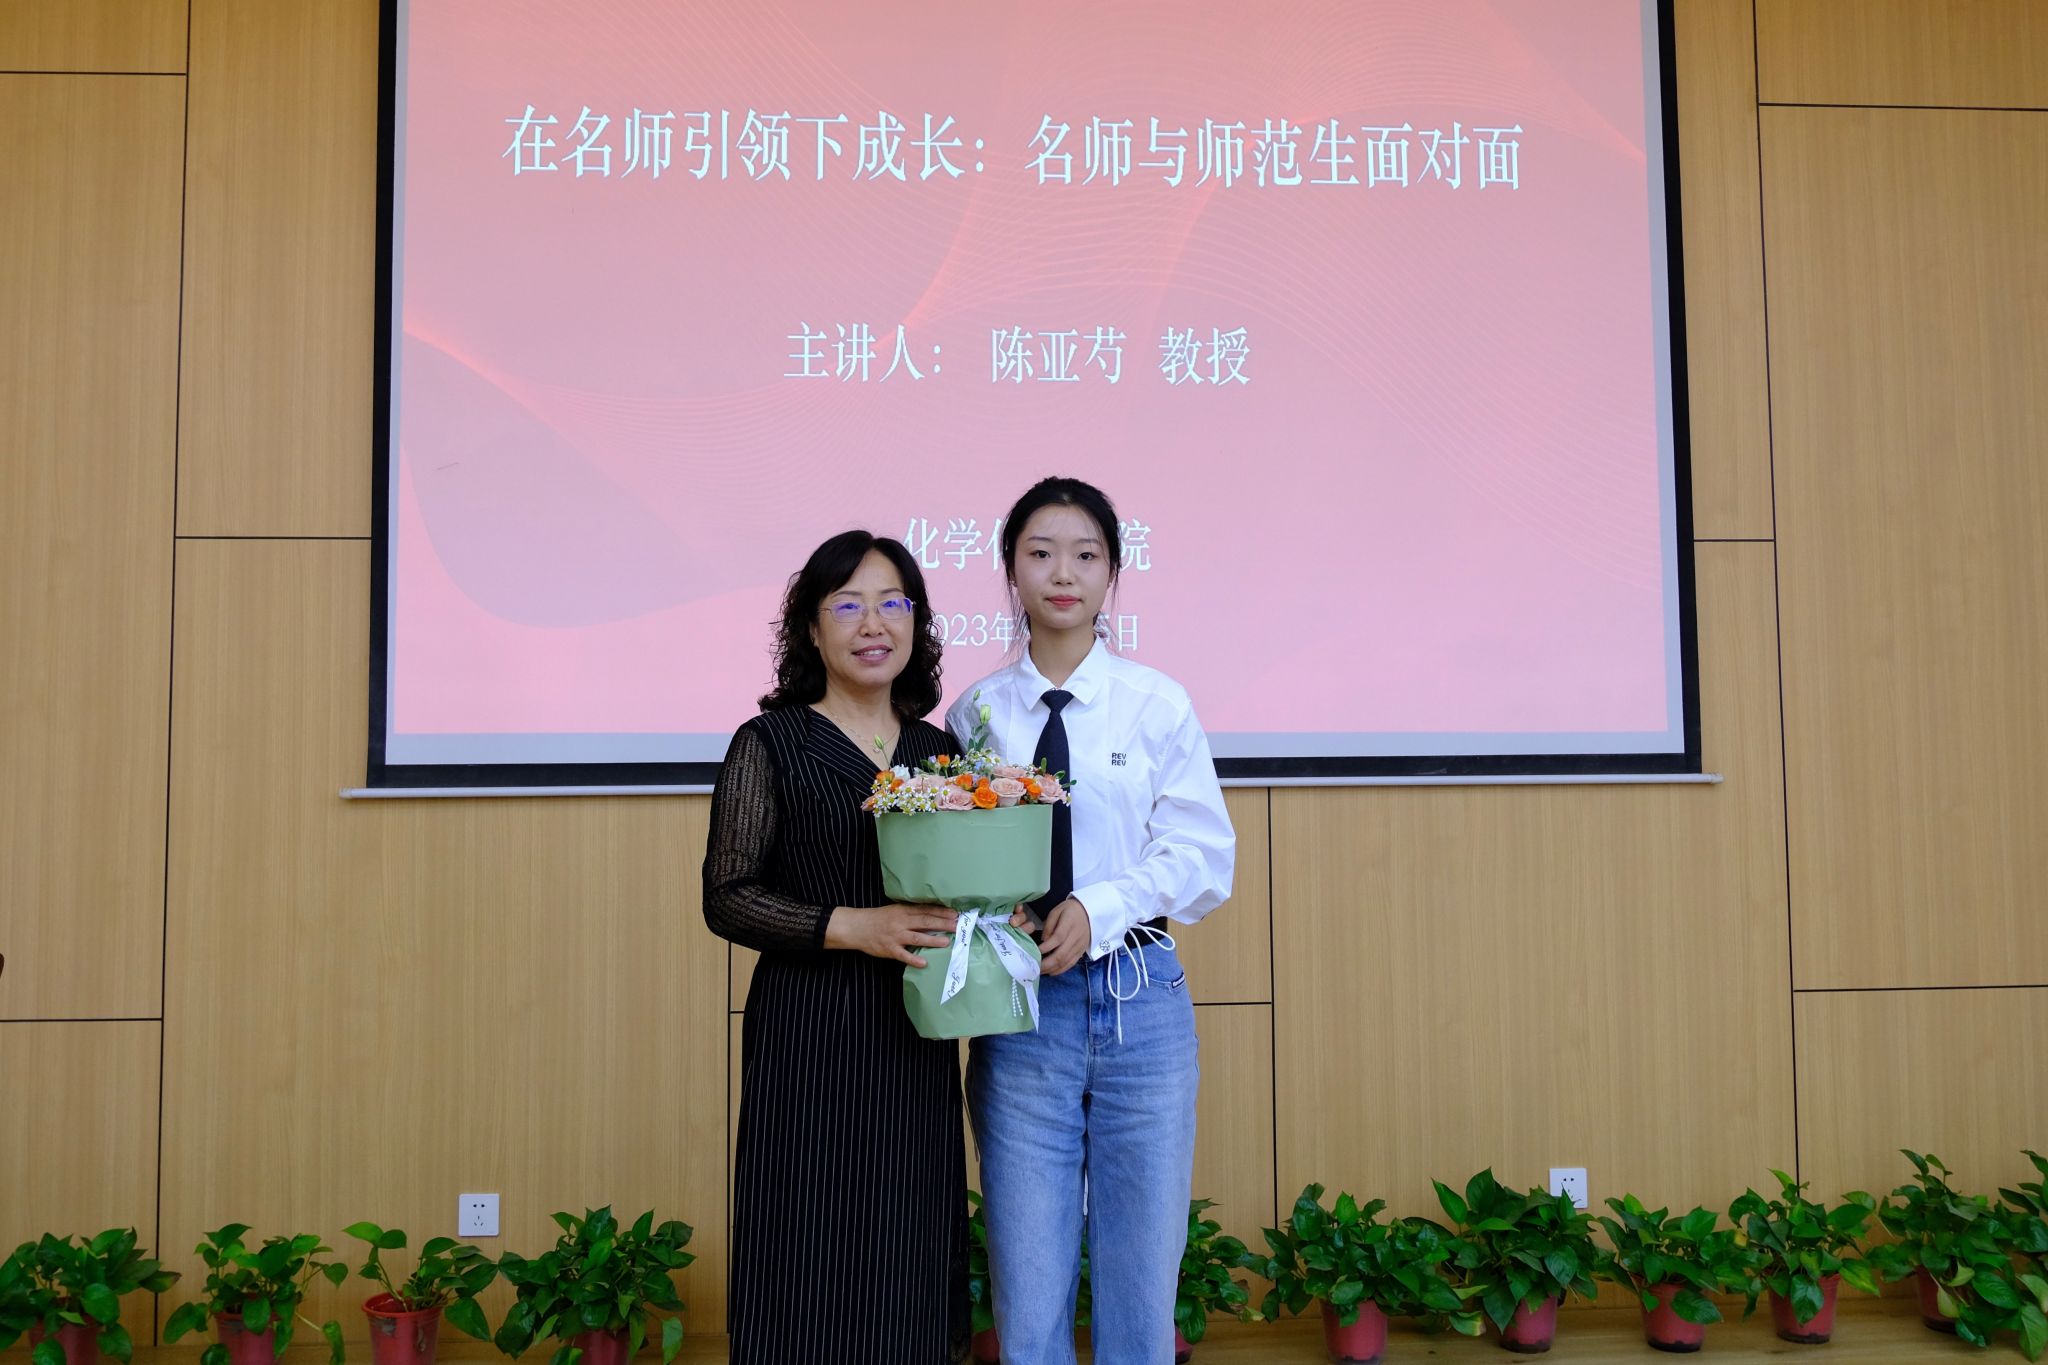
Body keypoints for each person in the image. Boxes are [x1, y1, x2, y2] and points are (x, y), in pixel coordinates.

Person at [946, 477, 1235, 1365]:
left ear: (1113, 571)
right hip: (1022, 1009)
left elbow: (1203, 858)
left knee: (1141, 1275)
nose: (1062, 573)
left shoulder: (1157, 702)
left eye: (1085, 554)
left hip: (1140, 999)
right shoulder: (976, 713)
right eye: (1040, 553)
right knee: (1028, 1279)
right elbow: (954, 858)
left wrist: (1097, 906)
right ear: (1011, 569)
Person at [704, 530, 968, 1364]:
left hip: (914, 1030)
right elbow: (727, 894)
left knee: (907, 1240)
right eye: (847, 604)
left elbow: (965, 885)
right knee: (807, 1240)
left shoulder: (938, 752)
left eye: (893, 602)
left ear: (917, 623)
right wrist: (855, 925)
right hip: (808, 1030)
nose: (873, 623)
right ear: (812, 630)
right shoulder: (770, 742)